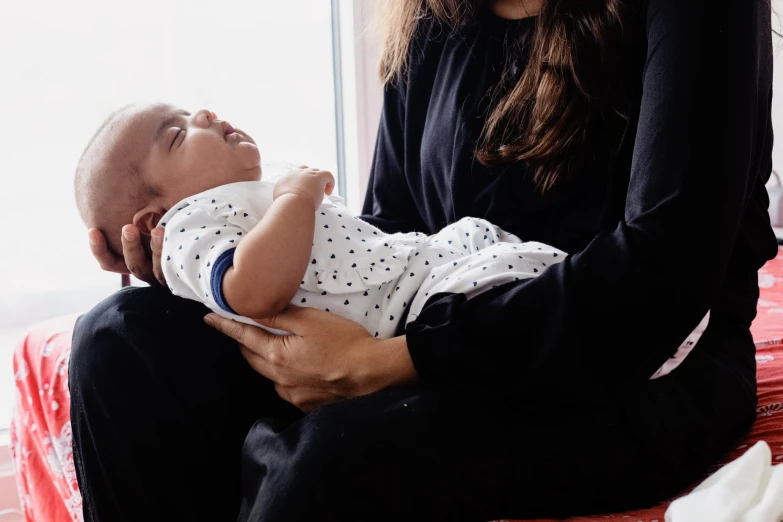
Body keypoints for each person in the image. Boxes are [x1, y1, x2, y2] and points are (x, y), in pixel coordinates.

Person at [70, 0, 779, 521]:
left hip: (637, 362)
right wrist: (193, 259)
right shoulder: (432, 15)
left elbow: (664, 270)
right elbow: (393, 231)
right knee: (120, 341)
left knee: (330, 461)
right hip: (435, 314)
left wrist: (389, 361)